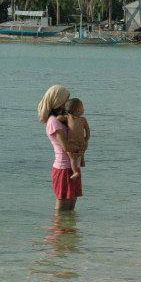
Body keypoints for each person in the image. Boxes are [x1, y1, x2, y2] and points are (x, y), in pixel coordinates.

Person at [38, 84, 82, 212]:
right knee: (62, 209)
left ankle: (69, 232)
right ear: (59, 102)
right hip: (63, 168)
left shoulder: (64, 119)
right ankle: (57, 231)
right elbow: (65, 146)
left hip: (73, 167)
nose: (68, 102)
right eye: (66, 99)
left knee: (71, 210)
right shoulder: (53, 122)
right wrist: (79, 146)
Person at [61, 97, 90, 179]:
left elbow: (58, 118)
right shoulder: (82, 119)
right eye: (82, 107)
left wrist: (87, 138)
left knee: (72, 158)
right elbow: (87, 130)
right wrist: (87, 137)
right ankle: (81, 162)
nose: (83, 109)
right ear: (78, 110)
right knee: (78, 154)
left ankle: (75, 172)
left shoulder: (68, 118)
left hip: (74, 142)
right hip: (80, 142)